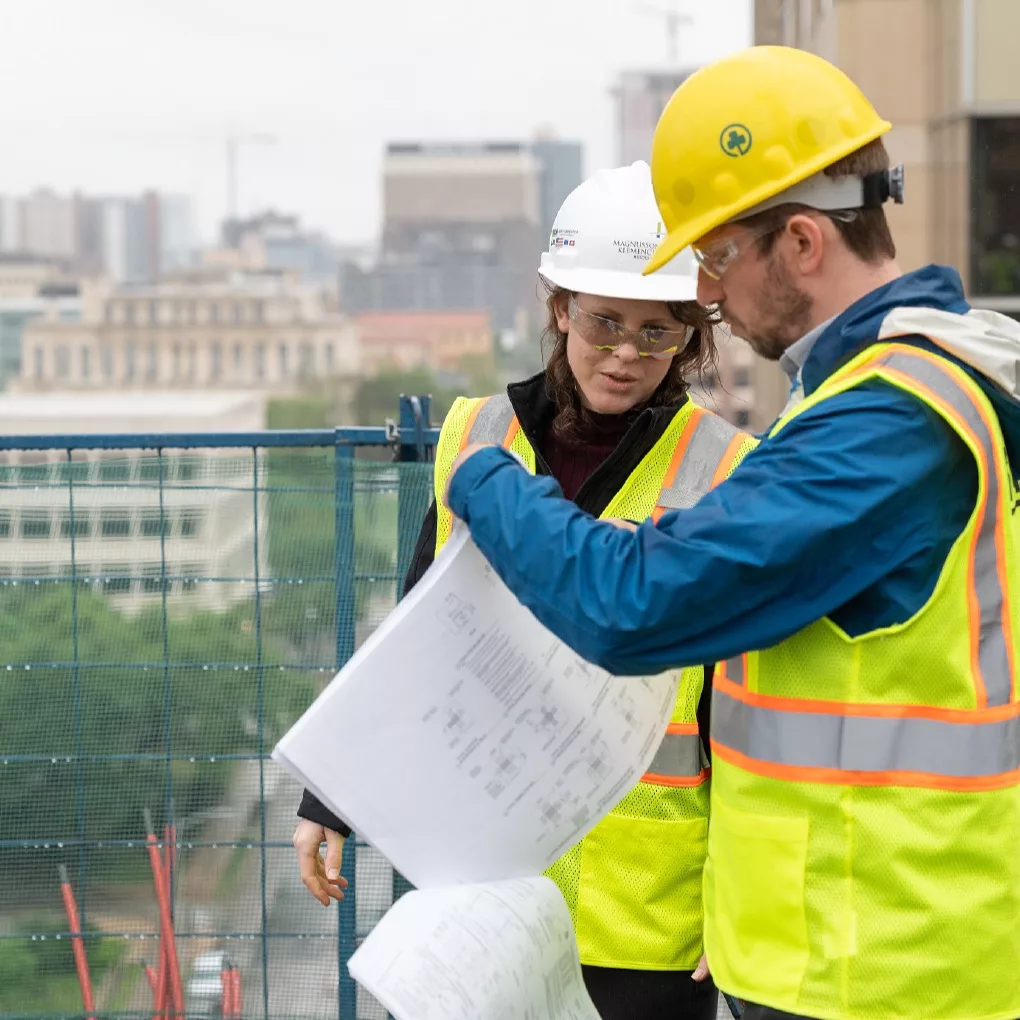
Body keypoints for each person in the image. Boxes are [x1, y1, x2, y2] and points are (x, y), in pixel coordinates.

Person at [441, 46, 1020, 1020]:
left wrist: (482, 474)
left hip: (883, 964)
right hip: (850, 937)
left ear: (800, 243)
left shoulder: (889, 423)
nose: (706, 294)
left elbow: (635, 603)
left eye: (715, 256)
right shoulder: (876, 395)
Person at [293, 161, 757, 1020]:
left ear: (688, 336)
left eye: (656, 335)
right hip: (478, 881)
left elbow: (744, 707)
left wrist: (741, 901)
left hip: (646, 915)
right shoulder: (478, 432)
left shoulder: (725, 469)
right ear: (559, 310)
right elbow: (417, 636)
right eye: (604, 323)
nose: (625, 355)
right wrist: (334, 793)